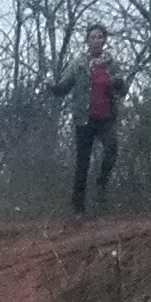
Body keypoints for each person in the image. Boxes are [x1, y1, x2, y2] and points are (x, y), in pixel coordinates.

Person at [47, 26, 128, 217]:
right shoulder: (78, 65)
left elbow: (122, 90)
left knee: (111, 149)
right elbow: (63, 88)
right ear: (87, 41)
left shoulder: (112, 65)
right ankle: (78, 208)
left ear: (104, 40)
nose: (97, 40)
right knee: (82, 163)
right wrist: (51, 86)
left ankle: (101, 186)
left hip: (106, 117)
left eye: (100, 37)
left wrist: (118, 83)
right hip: (84, 119)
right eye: (93, 37)